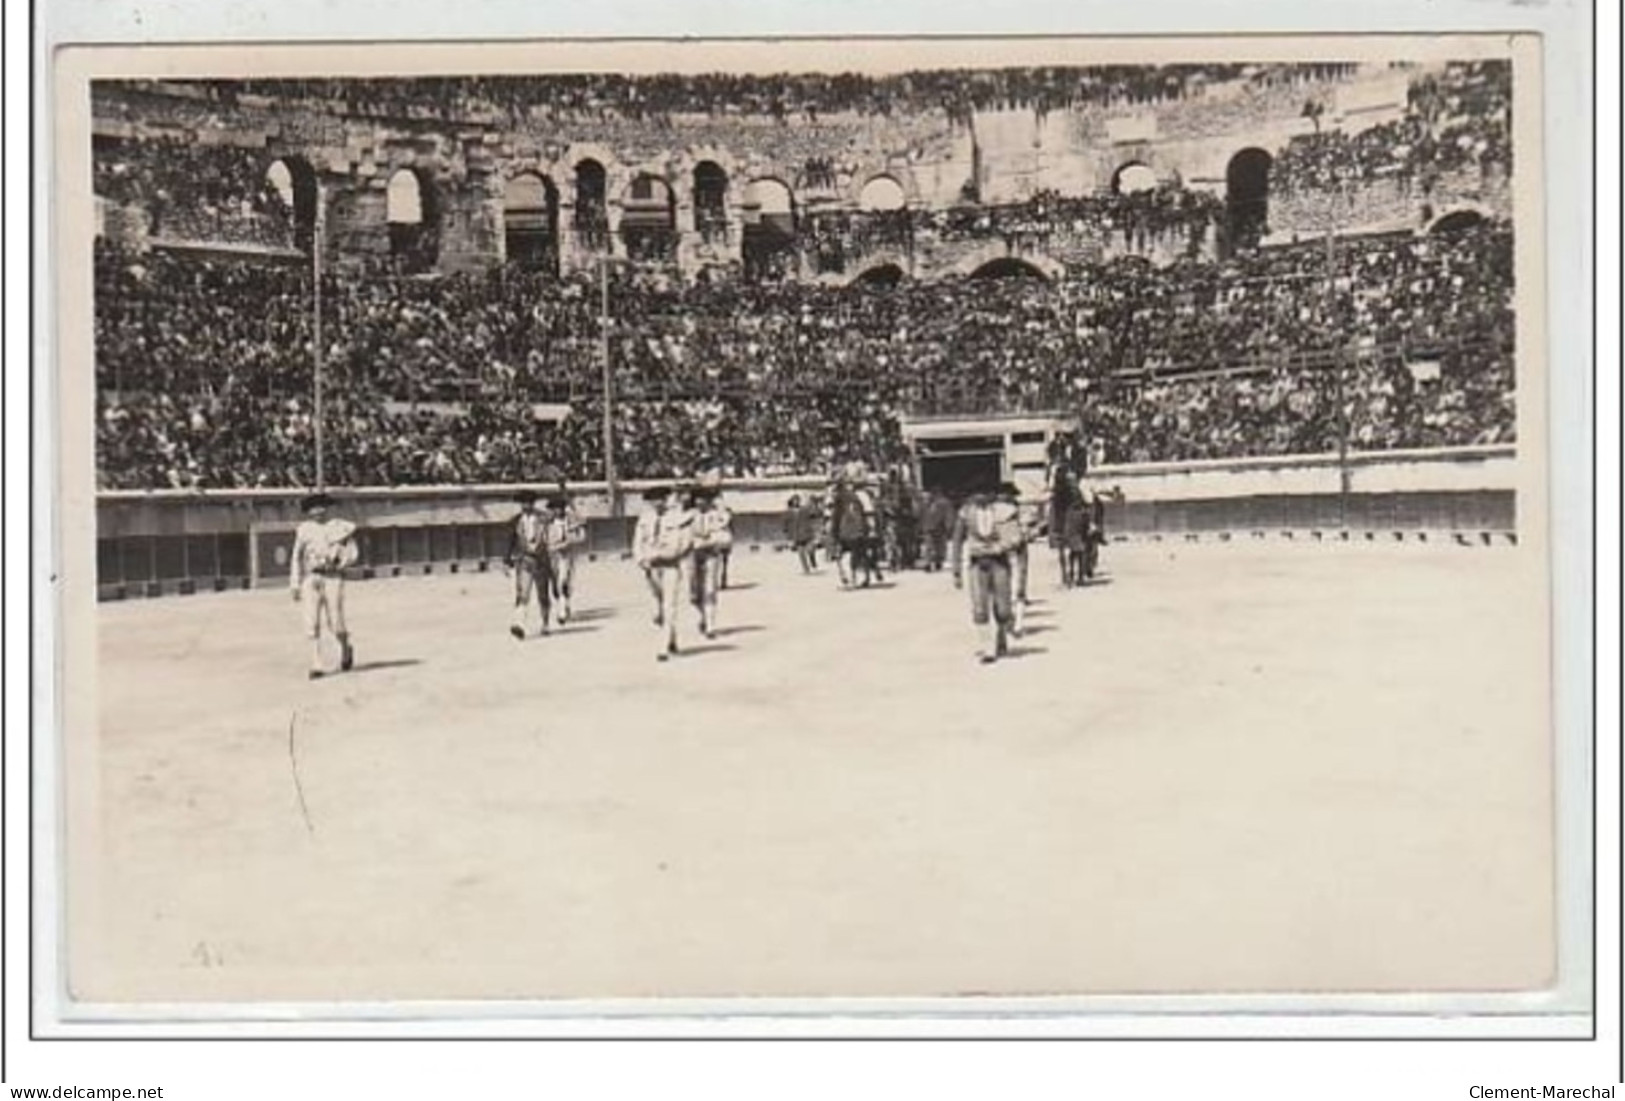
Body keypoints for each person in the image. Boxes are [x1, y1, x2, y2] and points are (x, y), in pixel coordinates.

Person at [950, 481, 1025, 663]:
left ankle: (1001, 634)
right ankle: (987, 648)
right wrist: (956, 570)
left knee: (1003, 609)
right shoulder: (966, 513)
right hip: (977, 564)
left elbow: (1016, 537)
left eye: (985, 493)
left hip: (999, 562)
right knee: (979, 607)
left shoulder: (1005, 511)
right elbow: (957, 541)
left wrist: (1003, 547)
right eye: (977, 494)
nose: (981, 497)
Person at [289, 491, 359, 679]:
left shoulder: (340, 527)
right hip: (311, 577)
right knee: (311, 621)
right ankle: (316, 663)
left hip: (332, 577)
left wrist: (341, 562)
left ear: (327, 508)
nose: (318, 511)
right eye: (313, 508)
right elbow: (296, 557)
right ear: (309, 512)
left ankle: (345, 648)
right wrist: (295, 583)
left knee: (336, 621)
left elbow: (353, 552)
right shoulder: (304, 529)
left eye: (321, 507)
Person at [638, 483, 696, 661]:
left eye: (658, 500)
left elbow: (684, 543)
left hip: (670, 565)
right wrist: (641, 560)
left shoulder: (678, 518)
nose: (655, 503)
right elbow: (638, 543)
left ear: (665, 500)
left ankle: (662, 647)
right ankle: (671, 638)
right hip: (651, 568)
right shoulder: (644, 520)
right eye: (651, 500)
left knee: (669, 606)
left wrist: (664, 555)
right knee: (657, 609)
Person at [505, 488, 554, 639]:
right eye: (523, 503)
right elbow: (511, 541)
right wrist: (506, 559)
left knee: (542, 593)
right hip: (524, 559)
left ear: (533, 503)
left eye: (528, 502)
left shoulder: (544, 518)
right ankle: (519, 623)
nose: (525, 505)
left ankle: (545, 623)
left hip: (541, 559)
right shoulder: (515, 521)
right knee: (523, 593)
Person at [688, 485, 734, 638]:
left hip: (711, 555)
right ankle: (702, 617)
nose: (700, 502)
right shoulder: (688, 516)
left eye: (704, 499)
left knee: (710, 590)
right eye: (698, 499)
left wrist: (711, 542)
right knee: (694, 594)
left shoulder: (718, 516)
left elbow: (726, 537)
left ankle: (710, 626)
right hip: (691, 556)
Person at [632, 485, 671, 624]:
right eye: (654, 500)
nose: (658, 503)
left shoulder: (673, 516)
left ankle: (664, 612)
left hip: (668, 557)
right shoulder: (645, 518)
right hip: (651, 557)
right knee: (654, 587)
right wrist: (640, 558)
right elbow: (638, 540)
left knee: (668, 587)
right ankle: (659, 607)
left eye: (661, 499)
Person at [546, 491, 587, 624]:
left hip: (567, 556)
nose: (556, 511)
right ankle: (563, 605)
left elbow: (582, 536)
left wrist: (570, 542)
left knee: (564, 582)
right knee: (555, 584)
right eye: (554, 509)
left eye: (558, 508)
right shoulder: (548, 523)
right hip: (552, 556)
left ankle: (562, 611)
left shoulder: (571, 521)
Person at [920, 490, 954, 572]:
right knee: (928, 547)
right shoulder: (924, 505)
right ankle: (927, 563)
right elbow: (920, 517)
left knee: (940, 546)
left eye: (928, 497)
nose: (927, 499)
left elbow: (947, 515)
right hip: (928, 528)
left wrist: (948, 526)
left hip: (940, 528)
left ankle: (938, 561)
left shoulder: (942, 504)